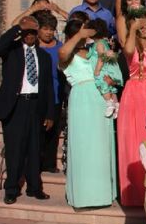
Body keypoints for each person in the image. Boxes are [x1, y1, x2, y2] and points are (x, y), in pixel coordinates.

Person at [59, 20, 117, 208]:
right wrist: (79, 36)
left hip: (101, 98)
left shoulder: (95, 51)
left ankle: (103, 194)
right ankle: (84, 195)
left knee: (101, 145)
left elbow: (110, 71)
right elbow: (62, 53)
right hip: (81, 99)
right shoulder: (68, 54)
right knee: (84, 144)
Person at [0, 16, 55, 204]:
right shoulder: (11, 51)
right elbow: (0, 45)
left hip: (36, 105)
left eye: (33, 32)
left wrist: (49, 113)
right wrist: (18, 27)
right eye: (26, 32)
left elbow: (47, 87)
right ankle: (11, 189)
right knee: (14, 150)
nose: (30, 36)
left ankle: (34, 188)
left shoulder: (44, 57)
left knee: (34, 148)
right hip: (15, 106)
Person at [117, 15, 146, 207]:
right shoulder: (132, 45)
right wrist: (133, 29)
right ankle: (135, 192)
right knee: (134, 139)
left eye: (145, 24)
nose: (143, 27)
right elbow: (127, 50)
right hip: (135, 93)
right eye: (139, 25)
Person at [35, 11, 66, 173]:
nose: (48, 32)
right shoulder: (33, 46)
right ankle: (35, 163)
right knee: (36, 131)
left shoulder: (60, 47)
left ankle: (49, 163)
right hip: (36, 96)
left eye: (51, 29)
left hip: (54, 94)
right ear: (38, 29)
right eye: (45, 29)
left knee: (52, 132)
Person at [86, 19, 123, 118]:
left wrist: (97, 71)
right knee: (112, 89)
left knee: (103, 86)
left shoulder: (99, 44)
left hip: (102, 70)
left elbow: (101, 58)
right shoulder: (104, 42)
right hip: (107, 69)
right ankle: (116, 104)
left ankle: (109, 103)